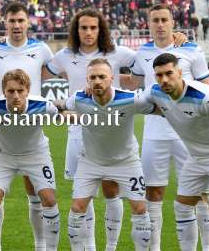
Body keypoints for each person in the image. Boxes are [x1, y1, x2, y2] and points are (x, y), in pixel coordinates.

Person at [46, 8, 136, 250]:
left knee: (110, 189)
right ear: (76, 30)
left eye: (93, 27)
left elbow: (148, 63)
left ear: (101, 29)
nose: (88, 32)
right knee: (83, 195)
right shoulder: (64, 56)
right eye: (83, 28)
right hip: (78, 130)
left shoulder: (117, 54)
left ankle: (111, 246)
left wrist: (178, 38)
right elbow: (35, 73)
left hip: (111, 130)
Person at [0, 2, 54, 249]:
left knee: (33, 187)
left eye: (20, 20)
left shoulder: (42, 49)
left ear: (28, 22)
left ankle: (40, 245)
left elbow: (52, 74)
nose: (16, 25)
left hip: (31, 124)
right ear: (4, 22)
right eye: (11, 21)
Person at [128, 3, 209, 251]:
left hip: (190, 135)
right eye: (155, 20)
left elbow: (207, 86)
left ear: (173, 22)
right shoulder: (141, 53)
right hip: (154, 134)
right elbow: (134, 84)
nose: (161, 24)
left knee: (198, 196)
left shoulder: (192, 49)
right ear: (149, 24)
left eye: (165, 19)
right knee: (153, 194)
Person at [144, 53, 209, 251]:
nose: (164, 79)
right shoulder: (155, 92)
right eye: (159, 75)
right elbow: (130, 102)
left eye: (169, 73)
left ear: (180, 73)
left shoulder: (206, 97)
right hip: (197, 157)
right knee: (182, 207)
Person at [59, 59, 153, 251]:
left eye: (102, 77)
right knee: (76, 209)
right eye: (93, 77)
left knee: (141, 209)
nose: (97, 81)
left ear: (112, 78)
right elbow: (62, 106)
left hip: (127, 161)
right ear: (87, 80)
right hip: (91, 161)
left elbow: (158, 108)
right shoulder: (79, 98)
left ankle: (112, 247)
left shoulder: (130, 99)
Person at [0, 69, 60, 251]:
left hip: (36, 155)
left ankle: (44, 247)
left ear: (28, 90)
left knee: (49, 200)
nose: (16, 95)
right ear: (3, 92)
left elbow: (59, 114)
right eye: (11, 91)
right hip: (3, 156)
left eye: (20, 91)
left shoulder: (44, 107)